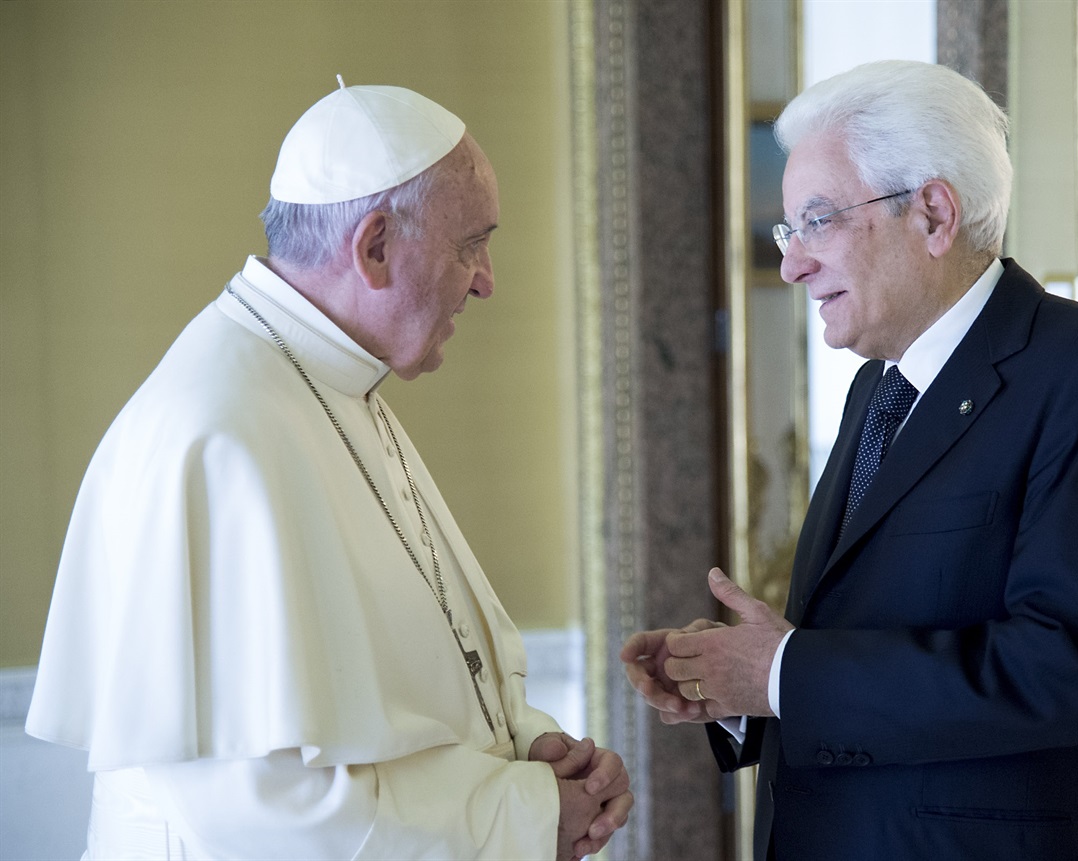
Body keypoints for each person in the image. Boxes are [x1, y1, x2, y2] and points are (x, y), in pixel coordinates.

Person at [26, 80, 631, 861]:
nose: (485, 279)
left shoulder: (333, 382)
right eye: (470, 244)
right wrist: (522, 815)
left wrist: (532, 753)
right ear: (375, 246)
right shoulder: (218, 434)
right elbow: (261, 811)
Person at [623, 60, 1078, 860]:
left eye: (817, 221)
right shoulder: (878, 390)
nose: (791, 264)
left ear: (934, 215)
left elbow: (1063, 667)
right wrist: (735, 678)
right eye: (789, 230)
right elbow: (862, 637)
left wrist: (781, 673)